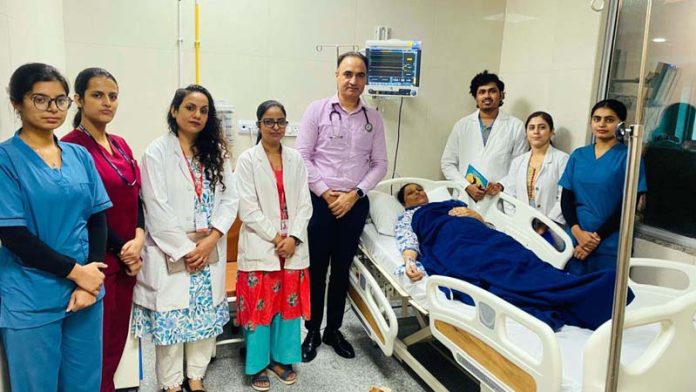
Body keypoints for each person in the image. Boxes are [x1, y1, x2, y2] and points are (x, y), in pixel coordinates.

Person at [0, 63, 112, 391]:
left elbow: (97, 217)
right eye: (40, 99)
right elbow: (13, 235)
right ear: (17, 103)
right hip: (31, 295)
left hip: (86, 293)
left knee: (85, 382)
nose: (52, 109)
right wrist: (79, 274)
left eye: (60, 100)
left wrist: (89, 279)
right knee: (37, 385)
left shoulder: (79, 155)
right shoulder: (6, 159)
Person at [394, 183, 631, 331]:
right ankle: (586, 294)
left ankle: (581, 288)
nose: (418, 193)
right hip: (451, 243)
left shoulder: (451, 202)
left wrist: (474, 216)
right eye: (411, 193)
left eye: (420, 189)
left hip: (485, 237)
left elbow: (487, 226)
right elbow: (408, 241)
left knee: (520, 259)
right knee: (492, 270)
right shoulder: (407, 217)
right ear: (404, 202)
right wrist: (410, 262)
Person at [132, 85, 239, 392]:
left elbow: (231, 199)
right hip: (173, 252)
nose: (197, 115)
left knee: (203, 322)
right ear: (174, 110)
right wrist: (185, 250)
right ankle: (170, 383)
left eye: (204, 110)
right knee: (172, 321)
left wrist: (210, 240)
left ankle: (195, 376)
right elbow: (155, 206)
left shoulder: (216, 152)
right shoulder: (156, 153)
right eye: (190, 107)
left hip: (209, 248)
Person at [295, 51, 388, 362]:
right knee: (316, 269)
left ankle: (334, 329)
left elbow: (380, 164)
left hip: (355, 203)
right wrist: (325, 193)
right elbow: (302, 157)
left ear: (366, 81)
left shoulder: (372, 119)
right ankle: (312, 331)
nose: (353, 80)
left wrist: (354, 194)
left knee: (341, 270)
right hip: (320, 203)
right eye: (347, 74)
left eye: (360, 75)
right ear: (337, 75)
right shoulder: (316, 110)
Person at [61, 67, 144, 392]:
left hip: (128, 261)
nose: (107, 102)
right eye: (97, 95)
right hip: (97, 260)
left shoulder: (120, 144)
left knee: (115, 344)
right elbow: (87, 209)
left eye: (112, 96)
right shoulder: (70, 147)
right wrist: (125, 248)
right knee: (90, 350)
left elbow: (135, 193)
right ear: (78, 99)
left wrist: (138, 238)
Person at [235, 100, 312, 391]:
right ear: (259, 125)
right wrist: (276, 237)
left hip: (292, 246)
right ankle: (257, 364)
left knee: (287, 306)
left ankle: (281, 359)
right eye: (269, 121)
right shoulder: (247, 160)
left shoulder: (296, 159)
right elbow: (247, 208)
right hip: (261, 243)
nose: (276, 127)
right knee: (259, 306)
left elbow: (305, 204)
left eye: (281, 121)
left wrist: (293, 238)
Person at [560, 99, 647, 275]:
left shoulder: (629, 158)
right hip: (575, 239)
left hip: (609, 243)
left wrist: (595, 239)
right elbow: (566, 198)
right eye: (597, 119)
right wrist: (578, 233)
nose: (601, 124)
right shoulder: (579, 155)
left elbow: (627, 206)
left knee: (602, 296)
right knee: (569, 293)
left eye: (609, 119)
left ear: (621, 124)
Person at [441, 70, 528, 201]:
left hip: (498, 198)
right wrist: (466, 186)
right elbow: (447, 163)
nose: (487, 96)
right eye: (482, 92)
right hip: (465, 196)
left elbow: (520, 166)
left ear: (501, 95)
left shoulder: (516, 126)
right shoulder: (462, 125)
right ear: (475, 97)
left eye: (492, 91)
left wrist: (500, 185)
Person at [488, 111, 569, 226]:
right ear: (526, 132)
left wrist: (547, 224)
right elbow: (510, 195)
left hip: (551, 227)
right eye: (531, 128)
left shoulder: (562, 159)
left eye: (542, 127)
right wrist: (516, 221)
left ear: (552, 131)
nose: (536, 132)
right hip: (520, 225)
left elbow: (563, 197)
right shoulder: (518, 162)